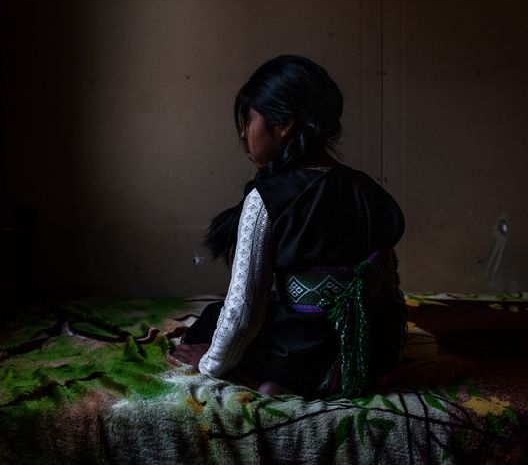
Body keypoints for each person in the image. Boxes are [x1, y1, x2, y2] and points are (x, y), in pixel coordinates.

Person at [169, 55, 406, 399]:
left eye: (249, 119)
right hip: (372, 351)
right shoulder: (369, 190)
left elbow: (243, 312)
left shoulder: (267, 199)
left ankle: (270, 382)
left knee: (213, 320)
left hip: (299, 355)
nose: (243, 132)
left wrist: (211, 362)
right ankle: (351, 377)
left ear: (284, 125)